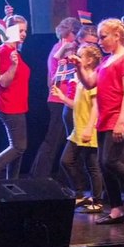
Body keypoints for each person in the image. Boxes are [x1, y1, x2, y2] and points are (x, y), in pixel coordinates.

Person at [74, 18, 124, 224]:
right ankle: (116, 210)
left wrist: (121, 122)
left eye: (104, 37)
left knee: (110, 160)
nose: (100, 41)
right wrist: (79, 67)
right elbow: (89, 84)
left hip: (118, 116)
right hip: (105, 117)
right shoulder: (107, 61)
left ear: (117, 36)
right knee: (104, 165)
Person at [30, 17, 83, 180]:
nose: (78, 39)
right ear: (70, 34)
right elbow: (54, 77)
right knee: (53, 140)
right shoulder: (62, 49)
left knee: (64, 141)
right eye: (76, 34)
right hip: (60, 100)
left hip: (62, 98)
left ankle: (61, 177)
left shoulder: (59, 48)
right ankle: (39, 177)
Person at [56, 44, 105, 213]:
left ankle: (98, 200)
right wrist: (62, 97)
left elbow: (96, 107)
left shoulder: (93, 80)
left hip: (88, 129)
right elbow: (76, 105)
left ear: (90, 60)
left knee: (92, 166)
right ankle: (80, 193)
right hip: (78, 130)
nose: (77, 57)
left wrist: (89, 128)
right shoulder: (81, 81)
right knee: (66, 161)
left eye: (80, 56)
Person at [0, 15, 31, 178]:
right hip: (9, 105)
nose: (24, 34)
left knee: (17, 149)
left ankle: (12, 184)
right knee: (19, 146)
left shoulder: (14, 51)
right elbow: (3, 82)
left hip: (18, 105)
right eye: (20, 30)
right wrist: (13, 66)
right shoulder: (5, 51)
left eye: (25, 30)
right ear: (11, 31)